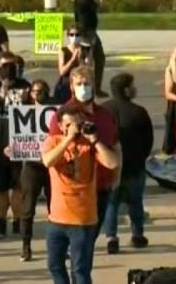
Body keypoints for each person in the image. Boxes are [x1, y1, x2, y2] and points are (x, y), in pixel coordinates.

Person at [42, 104, 120, 284]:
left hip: (83, 219)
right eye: (68, 124)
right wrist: (67, 138)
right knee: (55, 264)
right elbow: (48, 161)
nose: (74, 127)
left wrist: (94, 139)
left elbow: (113, 162)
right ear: (60, 125)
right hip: (57, 217)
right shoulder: (54, 141)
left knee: (80, 268)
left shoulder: (90, 144)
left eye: (77, 123)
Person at [48, 66, 120, 249]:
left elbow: (116, 146)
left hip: (102, 185)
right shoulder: (63, 115)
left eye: (87, 83)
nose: (83, 87)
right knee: (77, 248)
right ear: (71, 86)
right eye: (79, 84)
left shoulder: (105, 115)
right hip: (74, 189)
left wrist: (117, 175)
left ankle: (81, 272)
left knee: (88, 242)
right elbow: (54, 148)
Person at [102, 73, 154, 254]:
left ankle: (111, 238)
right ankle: (137, 234)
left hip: (111, 165)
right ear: (126, 89)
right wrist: (141, 157)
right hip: (134, 166)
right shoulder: (138, 112)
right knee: (136, 201)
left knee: (111, 204)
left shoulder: (103, 110)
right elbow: (148, 140)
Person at [0, 53, 30, 239]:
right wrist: (2, 95)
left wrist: (27, 99)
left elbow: (35, 110)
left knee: (18, 186)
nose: (9, 69)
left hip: (18, 144)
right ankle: (0, 224)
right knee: (0, 188)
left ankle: (18, 222)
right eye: (5, 65)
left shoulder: (24, 85)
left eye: (12, 65)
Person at [18, 80, 55, 262]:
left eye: (41, 91)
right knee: (27, 209)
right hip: (32, 165)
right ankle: (26, 246)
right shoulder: (23, 111)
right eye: (34, 91)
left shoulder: (55, 111)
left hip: (52, 165)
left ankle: (58, 246)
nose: (37, 94)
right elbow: (17, 137)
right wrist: (13, 148)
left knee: (55, 209)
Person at [74, 0, 107, 96]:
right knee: (87, 61)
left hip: (90, 30)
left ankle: (96, 88)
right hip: (86, 31)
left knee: (99, 58)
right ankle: (85, 87)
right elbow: (93, 7)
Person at [55, 26, 92, 103]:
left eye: (77, 35)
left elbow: (87, 70)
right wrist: (73, 59)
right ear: (68, 35)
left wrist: (80, 58)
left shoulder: (86, 50)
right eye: (72, 34)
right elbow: (62, 72)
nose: (74, 37)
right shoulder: (63, 51)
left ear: (81, 36)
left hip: (80, 83)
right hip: (66, 83)